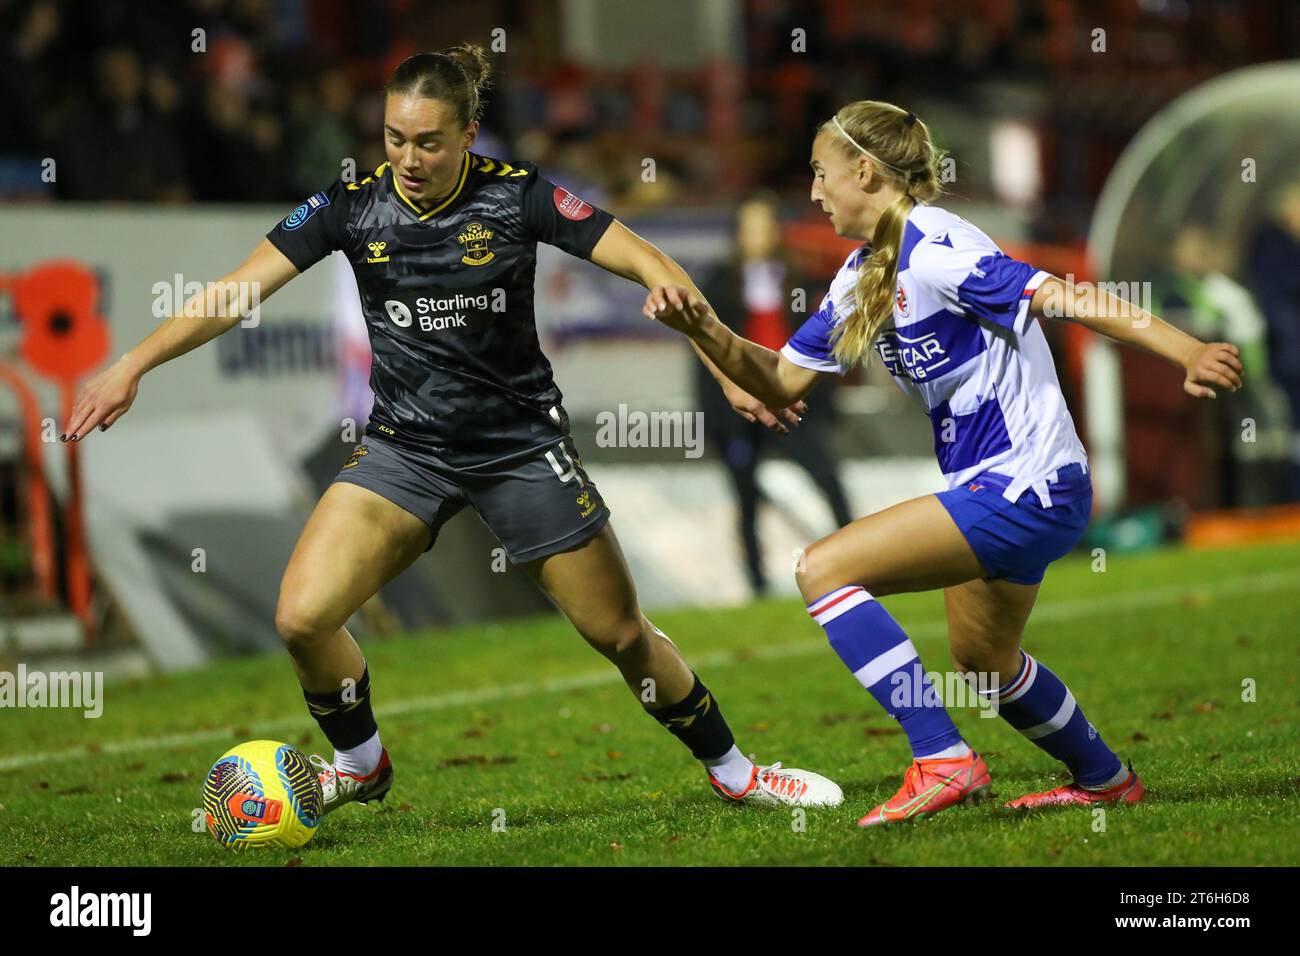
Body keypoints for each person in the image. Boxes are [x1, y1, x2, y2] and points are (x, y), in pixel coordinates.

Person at [62, 44, 841, 813]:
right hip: (406, 452)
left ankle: (737, 770)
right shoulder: (350, 206)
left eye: (428, 142)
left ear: (468, 136)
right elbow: (234, 294)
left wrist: (725, 366)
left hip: (521, 450)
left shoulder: (519, 197)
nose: (407, 158)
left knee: (622, 637)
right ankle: (361, 764)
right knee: (302, 617)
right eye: (395, 139)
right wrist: (133, 363)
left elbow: (652, 266)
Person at [645, 99, 1242, 826]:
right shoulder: (863, 274)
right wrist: (702, 326)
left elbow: (1061, 296)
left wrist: (1186, 350)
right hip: (1002, 486)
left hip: (1028, 481)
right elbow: (779, 381)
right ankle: (1105, 779)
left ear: (863, 170)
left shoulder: (934, 247)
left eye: (820, 173)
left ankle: (942, 757)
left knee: (824, 568)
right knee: (985, 660)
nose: (813, 192)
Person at [697, 191, 854, 595]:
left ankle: (859, 564)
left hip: (792, 405)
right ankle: (758, 585)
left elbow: (822, 347)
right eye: (749, 227)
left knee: (828, 480)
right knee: (746, 498)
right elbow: (705, 353)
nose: (758, 236)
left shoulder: (797, 279)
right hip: (742, 412)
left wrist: (824, 405)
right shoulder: (719, 282)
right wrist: (716, 417)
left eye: (765, 226)